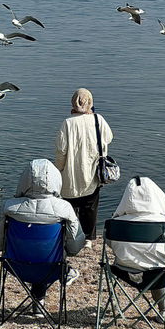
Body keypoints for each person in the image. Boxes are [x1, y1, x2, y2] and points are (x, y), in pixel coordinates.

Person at [0, 158, 86, 313]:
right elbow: (75, 246)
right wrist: (68, 251)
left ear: (24, 180)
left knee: (34, 250)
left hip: (15, 265)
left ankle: (38, 301)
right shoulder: (64, 209)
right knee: (45, 252)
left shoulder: (9, 207)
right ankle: (49, 291)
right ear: (56, 180)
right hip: (52, 267)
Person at [109, 176, 165, 319]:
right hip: (160, 275)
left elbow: (111, 245)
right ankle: (164, 311)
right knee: (162, 264)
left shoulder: (114, 224)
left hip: (124, 271)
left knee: (157, 265)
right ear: (157, 196)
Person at [55, 88, 113, 248]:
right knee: (90, 205)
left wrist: (58, 169)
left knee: (70, 205)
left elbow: (61, 150)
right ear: (90, 102)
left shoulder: (67, 123)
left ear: (73, 102)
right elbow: (108, 138)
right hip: (92, 171)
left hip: (70, 172)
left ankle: (71, 236)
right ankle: (88, 238)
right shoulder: (98, 120)